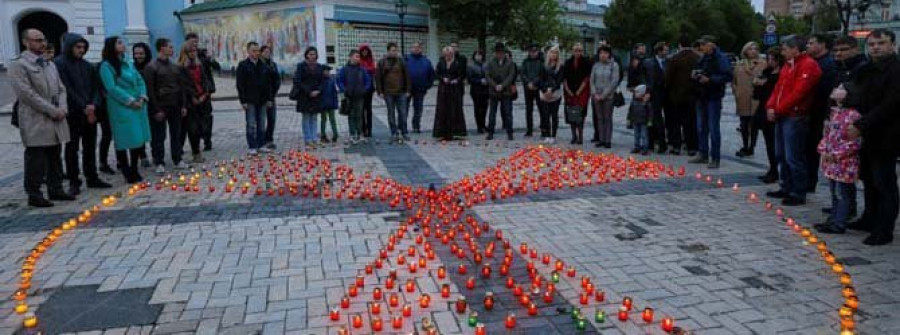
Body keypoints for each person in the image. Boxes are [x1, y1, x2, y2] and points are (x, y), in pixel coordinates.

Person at [845, 29, 900, 245]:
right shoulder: (868, 69)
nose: (876, 47)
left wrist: (861, 124)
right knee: (868, 179)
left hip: (887, 134)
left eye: (881, 43)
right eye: (872, 44)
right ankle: (869, 218)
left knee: (884, 183)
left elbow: (891, 104)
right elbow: (859, 96)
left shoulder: (896, 70)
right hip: (867, 134)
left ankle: (884, 229)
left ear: (892, 45)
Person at [10, 29, 74, 207]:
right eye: (37, 40)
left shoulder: (49, 64)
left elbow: (61, 88)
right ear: (26, 42)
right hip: (35, 118)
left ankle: (56, 188)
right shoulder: (19, 65)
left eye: (43, 40)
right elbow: (27, 95)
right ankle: (34, 193)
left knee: (55, 155)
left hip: (56, 117)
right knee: (36, 158)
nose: (42, 43)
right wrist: (52, 110)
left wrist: (62, 107)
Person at [765, 35, 822, 206]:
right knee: (781, 154)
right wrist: (770, 106)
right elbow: (778, 88)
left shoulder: (808, 65)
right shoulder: (788, 66)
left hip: (795, 116)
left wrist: (778, 109)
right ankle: (785, 186)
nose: (781, 52)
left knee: (793, 156)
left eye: (784, 49)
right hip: (783, 115)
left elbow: (799, 93)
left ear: (795, 49)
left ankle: (798, 191)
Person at [54, 32, 112, 195]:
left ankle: (92, 176)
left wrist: (93, 104)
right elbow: (66, 88)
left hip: (90, 113)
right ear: (69, 47)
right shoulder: (59, 64)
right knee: (72, 148)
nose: (81, 50)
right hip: (73, 113)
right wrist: (83, 106)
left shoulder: (87, 66)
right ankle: (74, 180)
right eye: (78, 47)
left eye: (83, 47)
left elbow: (96, 87)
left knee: (90, 146)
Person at [98, 36, 151, 184]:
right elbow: (111, 88)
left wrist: (142, 97)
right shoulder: (106, 66)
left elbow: (139, 80)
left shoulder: (128, 62)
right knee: (123, 139)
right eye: (119, 43)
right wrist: (129, 101)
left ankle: (134, 167)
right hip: (120, 106)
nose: (123, 45)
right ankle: (126, 169)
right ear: (112, 46)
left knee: (137, 138)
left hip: (137, 104)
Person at [813, 84, 861, 235]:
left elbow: (855, 142)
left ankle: (839, 222)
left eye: (841, 88)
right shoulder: (834, 114)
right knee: (835, 192)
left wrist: (836, 154)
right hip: (832, 162)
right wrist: (823, 150)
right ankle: (833, 219)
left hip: (845, 163)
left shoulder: (853, 116)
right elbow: (827, 136)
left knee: (842, 193)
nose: (835, 89)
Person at [144, 38, 188, 173]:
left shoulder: (175, 67)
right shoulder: (151, 67)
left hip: (175, 105)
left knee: (176, 133)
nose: (172, 49)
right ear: (162, 48)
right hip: (160, 107)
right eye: (169, 47)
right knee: (158, 136)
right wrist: (156, 109)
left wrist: (183, 105)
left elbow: (181, 87)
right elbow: (150, 90)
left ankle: (177, 159)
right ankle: (159, 162)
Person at [689, 35, 733, 169]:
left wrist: (710, 79)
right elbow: (700, 69)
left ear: (711, 45)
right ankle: (703, 153)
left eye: (704, 45)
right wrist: (695, 74)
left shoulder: (721, 58)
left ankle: (715, 157)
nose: (701, 47)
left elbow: (727, 75)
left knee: (713, 128)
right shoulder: (705, 57)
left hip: (713, 96)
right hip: (702, 96)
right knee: (701, 127)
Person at [805, 34, 837, 193]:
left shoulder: (828, 64)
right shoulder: (812, 61)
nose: (808, 46)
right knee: (807, 148)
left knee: (813, 148)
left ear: (822, 45)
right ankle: (807, 180)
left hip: (819, 112)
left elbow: (824, 91)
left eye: (811, 43)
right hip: (810, 110)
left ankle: (810, 181)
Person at [664, 35, 701, 156]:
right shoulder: (697, 58)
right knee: (691, 122)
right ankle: (692, 147)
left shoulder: (674, 59)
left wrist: (666, 90)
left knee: (675, 122)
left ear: (679, 45)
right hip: (692, 96)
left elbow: (668, 78)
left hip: (676, 96)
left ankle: (676, 146)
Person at [751, 47, 784, 184]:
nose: (770, 61)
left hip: (776, 110)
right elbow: (757, 95)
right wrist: (757, 84)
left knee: (777, 144)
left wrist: (766, 84)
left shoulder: (782, 73)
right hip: (764, 109)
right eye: (768, 58)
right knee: (769, 142)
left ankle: (779, 171)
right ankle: (772, 169)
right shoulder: (766, 71)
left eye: (773, 58)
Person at [177, 43, 214, 163]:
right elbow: (183, 85)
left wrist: (204, 94)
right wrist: (192, 96)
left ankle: (197, 150)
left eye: (195, 51)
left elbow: (205, 80)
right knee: (192, 129)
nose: (193, 54)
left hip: (202, 99)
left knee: (201, 127)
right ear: (186, 53)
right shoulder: (182, 67)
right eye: (191, 52)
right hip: (189, 102)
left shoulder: (199, 65)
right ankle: (194, 152)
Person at [236, 41, 273, 155]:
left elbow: (268, 84)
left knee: (261, 123)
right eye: (254, 51)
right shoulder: (243, 65)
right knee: (251, 123)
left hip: (262, 99)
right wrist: (243, 100)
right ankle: (252, 145)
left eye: (257, 51)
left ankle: (261, 144)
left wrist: (269, 99)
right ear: (248, 51)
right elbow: (240, 84)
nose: (256, 53)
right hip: (250, 99)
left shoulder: (263, 65)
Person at [733, 42, 767, 158]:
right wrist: (736, 92)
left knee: (754, 124)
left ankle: (751, 147)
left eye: (755, 49)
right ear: (745, 50)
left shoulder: (763, 64)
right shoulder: (739, 64)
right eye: (750, 49)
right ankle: (744, 145)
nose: (753, 51)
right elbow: (734, 81)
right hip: (742, 97)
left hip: (756, 98)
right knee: (743, 124)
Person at [376, 42, 412, 143]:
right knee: (391, 113)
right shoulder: (382, 62)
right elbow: (378, 77)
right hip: (388, 93)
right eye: (393, 50)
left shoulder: (401, 61)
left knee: (403, 113)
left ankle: (404, 132)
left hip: (401, 92)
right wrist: (380, 91)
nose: (395, 52)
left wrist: (408, 90)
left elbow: (407, 76)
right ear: (388, 51)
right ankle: (393, 132)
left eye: (396, 50)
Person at [337, 50, 373, 144]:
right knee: (351, 115)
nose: (358, 58)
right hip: (349, 96)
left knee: (359, 115)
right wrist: (344, 90)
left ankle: (360, 134)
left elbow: (368, 81)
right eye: (356, 56)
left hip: (360, 96)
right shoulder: (345, 69)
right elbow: (339, 80)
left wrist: (365, 89)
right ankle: (352, 134)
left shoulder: (362, 69)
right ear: (350, 57)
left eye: (359, 57)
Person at [433, 46, 468, 140]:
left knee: (454, 109)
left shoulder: (457, 63)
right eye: (446, 55)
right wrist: (442, 78)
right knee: (442, 110)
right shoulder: (441, 62)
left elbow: (461, 75)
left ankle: (456, 132)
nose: (448, 56)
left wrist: (456, 80)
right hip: (443, 89)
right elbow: (436, 73)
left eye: (450, 54)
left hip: (454, 89)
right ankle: (441, 133)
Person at [293, 46, 325, 147]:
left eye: (314, 54)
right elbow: (297, 81)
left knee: (314, 117)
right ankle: (308, 138)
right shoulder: (301, 66)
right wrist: (308, 91)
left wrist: (318, 90)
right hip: (305, 95)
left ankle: (314, 138)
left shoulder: (319, 67)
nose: (312, 56)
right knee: (306, 117)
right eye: (310, 54)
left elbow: (322, 80)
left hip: (316, 96)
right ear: (306, 55)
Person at [590, 45, 620, 149]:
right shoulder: (596, 65)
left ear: (609, 54)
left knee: (607, 118)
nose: (603, 55)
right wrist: (594, 93)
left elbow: (614, 81)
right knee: (599, 118)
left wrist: (603, 95)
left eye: (605, 53)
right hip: (596, 96)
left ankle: (608, 140)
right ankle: (601, 139)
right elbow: (591, 81)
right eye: (601, 53)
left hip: (608, 96)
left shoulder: (614, 65)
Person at [485, 42, 517, 141]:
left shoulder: (510, 62)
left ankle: (510, 132)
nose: (499, 54)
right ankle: (490, 132)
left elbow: (511, 76)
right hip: (494, 91)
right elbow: (487, 76)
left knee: (508, 112)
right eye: (497, 52)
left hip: (506, 91)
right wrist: (495, 86)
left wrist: (502, 85)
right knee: (492, 113)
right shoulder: (490, 62)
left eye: (501, 52)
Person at [562, 43, 592, 145]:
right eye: (576, 50)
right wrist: (568, 90)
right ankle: (573, 136)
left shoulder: (586, 62)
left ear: (582, 51)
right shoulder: (567, 62)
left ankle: (580, 137)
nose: (577, 52)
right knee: (571, 114)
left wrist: (580, 90)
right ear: (572, 51)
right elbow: (564, 78)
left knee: (580, 114)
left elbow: (587, 78)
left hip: (582, 92)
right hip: (569, 91)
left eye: (579, 50)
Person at [130, 42, 153, 169]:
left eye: (141, 53)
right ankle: (142, 155)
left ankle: (156, 154)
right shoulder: (131, 68)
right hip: (138, 103)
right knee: (139, 132)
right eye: (136, 53)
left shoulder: (152, 66)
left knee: (152, 131)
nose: (138, 56)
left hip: (151, 102)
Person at [643, 42, 669, 153]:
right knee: (655, 119)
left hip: (667, 94)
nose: (667, 52)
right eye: (665, 50)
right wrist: (648, 92)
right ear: (659, 51)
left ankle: (665, 142)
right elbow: (649, 79)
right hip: (654, 94)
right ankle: (655, 143)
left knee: (667, 119)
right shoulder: (649, 63)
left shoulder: (668, 62)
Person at [405, 42, 435, 133]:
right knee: (404, 108)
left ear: (421, 49)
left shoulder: (426, 61)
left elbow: (431, 75)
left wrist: (427, 86)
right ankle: (403, 127)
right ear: (411, 49)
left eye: (418, 47)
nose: (416, 49)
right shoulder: (405, 59)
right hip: (407, 89)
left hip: (420, 89)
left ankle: (416, 126)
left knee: (418, 109)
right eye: (414, 47)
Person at [538, 46, 564, 144]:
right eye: (552, 52)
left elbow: (559, 80)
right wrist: (545, 90)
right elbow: (540, 79)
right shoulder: (544, 65)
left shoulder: (560, 66)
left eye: (555, 53)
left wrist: (551, 90)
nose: (554, 55)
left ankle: (553, 135)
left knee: (554, 115)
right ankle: (547, 135)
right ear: (549, 54)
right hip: (545, 93)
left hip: (555, 93)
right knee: (545, 115)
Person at [260, 45, 282, 150]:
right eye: (265, 52)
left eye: (269, 52)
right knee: (260, 120)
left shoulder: (273, 65)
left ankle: (269, 139)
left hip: (271, 96)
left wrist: (274, 92)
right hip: (260, 97)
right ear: (261, 53)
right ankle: (261, 140)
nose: (267, 54)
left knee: (271, 119)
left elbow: (277, 80)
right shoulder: (259, 65)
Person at [521, 44, 543, 137]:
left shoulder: (541, 61)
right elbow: (522, 74)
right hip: (528, 88)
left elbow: (542, 74)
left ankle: (543, 128)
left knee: (541, 109)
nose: (533, 53)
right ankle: (529, 129)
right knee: (528, 109)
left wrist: (534, 83)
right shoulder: (525, 62)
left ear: (537, 52)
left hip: (538, 88)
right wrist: (528, 83)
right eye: (531, 51)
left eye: (535, 51)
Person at [467, 50, 489, 134]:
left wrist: (487, 81)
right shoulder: (471, 66)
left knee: (484, 108)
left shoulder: (486, 65)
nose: (479, 57)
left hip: (485, 90)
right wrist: (479, 81)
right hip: (476, 90)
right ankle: (479, 126)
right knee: (477, 108)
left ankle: (483, 124)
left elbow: (489, 75)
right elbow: (470, 79)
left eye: (480, 55)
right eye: (477, 55)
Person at [358, 44, 376, 138]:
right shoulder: (359, 61)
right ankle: (363, 129)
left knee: (368, 110)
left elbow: (373, 70)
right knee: (361, 110)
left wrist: (365, 69)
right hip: (360, 88)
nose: (365, 52)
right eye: (363, 51)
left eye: (366, 51)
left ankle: (369, 129)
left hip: (369, 88)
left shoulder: (370, 60)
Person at [629, 85, 652, 155]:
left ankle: (645, 148)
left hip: (644, 121)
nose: (635, 94)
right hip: (635, 121)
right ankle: (637, 146)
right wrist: (629, 119)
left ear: (642, 93)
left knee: (644, 135)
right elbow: (630, 111)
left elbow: (650, 112)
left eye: (637, 92)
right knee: (636, 135)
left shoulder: (646, 102)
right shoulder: (633, 101)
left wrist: (650, 121)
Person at [320, 65, 339, 143]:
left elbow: (334, 93)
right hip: (323, 104)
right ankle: (323, 135)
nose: (327, 72)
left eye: (328, 71)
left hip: (331, 104)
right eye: (325, 71)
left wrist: (336, 103)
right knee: (323, 120)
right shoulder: (320, 81)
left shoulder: (331, 80)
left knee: (333, 120)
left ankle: (335, 134)